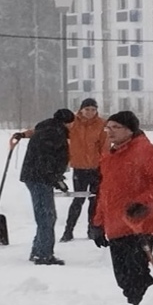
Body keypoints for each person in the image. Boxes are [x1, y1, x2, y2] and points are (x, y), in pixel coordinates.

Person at [91, 111, 153, 305]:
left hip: (139, 224)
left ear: (130, 130)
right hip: (115, 226)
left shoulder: (146, 151)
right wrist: (97, 223)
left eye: (116, 127)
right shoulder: (109, 156)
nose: (110, 132)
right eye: (108, 127)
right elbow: (105, 193)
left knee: (135, 277)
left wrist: (143, 203)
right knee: (123, 278)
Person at [13, 108, 74, 265]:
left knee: (46, 216)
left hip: (36, 177)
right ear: (67, 123)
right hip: (40, 179)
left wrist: (55, 178)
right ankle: (43, 254)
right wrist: (55, 178)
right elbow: (46, 160)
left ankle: (38, 251)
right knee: (47, 217)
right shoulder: (55, 134)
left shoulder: (46, 128)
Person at [60, 97, 108, 243]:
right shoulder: (73, 123)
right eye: (87, 109)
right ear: (81, 109)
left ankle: (92, 230)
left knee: (95, 200)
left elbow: (104, 146)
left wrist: (105, 165)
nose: (90, 112)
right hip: (79, 168)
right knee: (78, 200)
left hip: (96, 168)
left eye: (93, 110)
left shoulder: (101, 124)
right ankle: (68, 231)